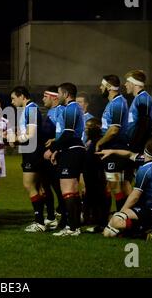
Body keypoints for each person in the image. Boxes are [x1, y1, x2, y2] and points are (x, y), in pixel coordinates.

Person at [98, 139, 152, 241]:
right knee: (108, 232)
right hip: (145, 208)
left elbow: (135, 196)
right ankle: (140, 228)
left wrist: (121, 212)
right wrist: (112, 151)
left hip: (147, 210)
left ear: (145, 150)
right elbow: (129, 154)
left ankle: (148, 231)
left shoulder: (145, 170)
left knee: (116, 220)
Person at [44, 83, 85, 236]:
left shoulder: (71, 108)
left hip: (72, 150)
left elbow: (68, 134)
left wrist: (52, 149)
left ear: (66, 94)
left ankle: (72, 227)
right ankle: (73, 226)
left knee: (68, 190)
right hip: (71, 150)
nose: (58, 96)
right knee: (72, 191)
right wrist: (58, 150)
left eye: (59, 93)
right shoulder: (72, 108)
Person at [10, 86, 46, 232]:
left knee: (29, 185)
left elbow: (31, 135)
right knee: (38, 187)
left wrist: (17, 139)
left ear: (22, 96)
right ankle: (45, 218)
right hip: (32, 151)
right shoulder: (28, 109)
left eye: (13, 98)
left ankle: (40, 222)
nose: (12, 102)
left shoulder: (31, 109)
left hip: (33, 152)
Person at [96, 75, 130, 211]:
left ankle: (121, 217)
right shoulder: (113, 102)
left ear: (109, 87)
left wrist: (100, 142)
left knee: (115, 186)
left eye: (102, 85)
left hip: (115, 149)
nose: (100, 88)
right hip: (111, 149)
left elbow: (114, 130)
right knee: (112, 185)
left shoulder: (118, 103)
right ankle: (110, 217)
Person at [40, 86, 65, 230]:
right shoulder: (50, 111)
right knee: (46, 187)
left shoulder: (61, 111)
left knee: (58, 187)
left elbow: (64, 133)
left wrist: (54, 146)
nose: (43, 99)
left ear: (54, 97)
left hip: (56, 155)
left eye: (45, 96)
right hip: (47, 155)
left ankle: (62, 215)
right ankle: (50, 216)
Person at [81, 117, 109, 232]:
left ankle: (102, 222)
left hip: (97, 176)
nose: (86, 129)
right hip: (89, 176)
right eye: (86, 127)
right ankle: (92, 219)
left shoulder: (100, 142)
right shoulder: (90, 141)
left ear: (97, 128)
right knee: (90, 197)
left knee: (100, 198)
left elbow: (101, 161)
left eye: (89, 127)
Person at [124, 70, 152, 153]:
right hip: (132, 143)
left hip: (137, 146)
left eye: (127, 82)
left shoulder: (143, 98)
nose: (125, 84)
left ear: (134, 83)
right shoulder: (138, 98)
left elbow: (144, 124)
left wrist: (135, 145)